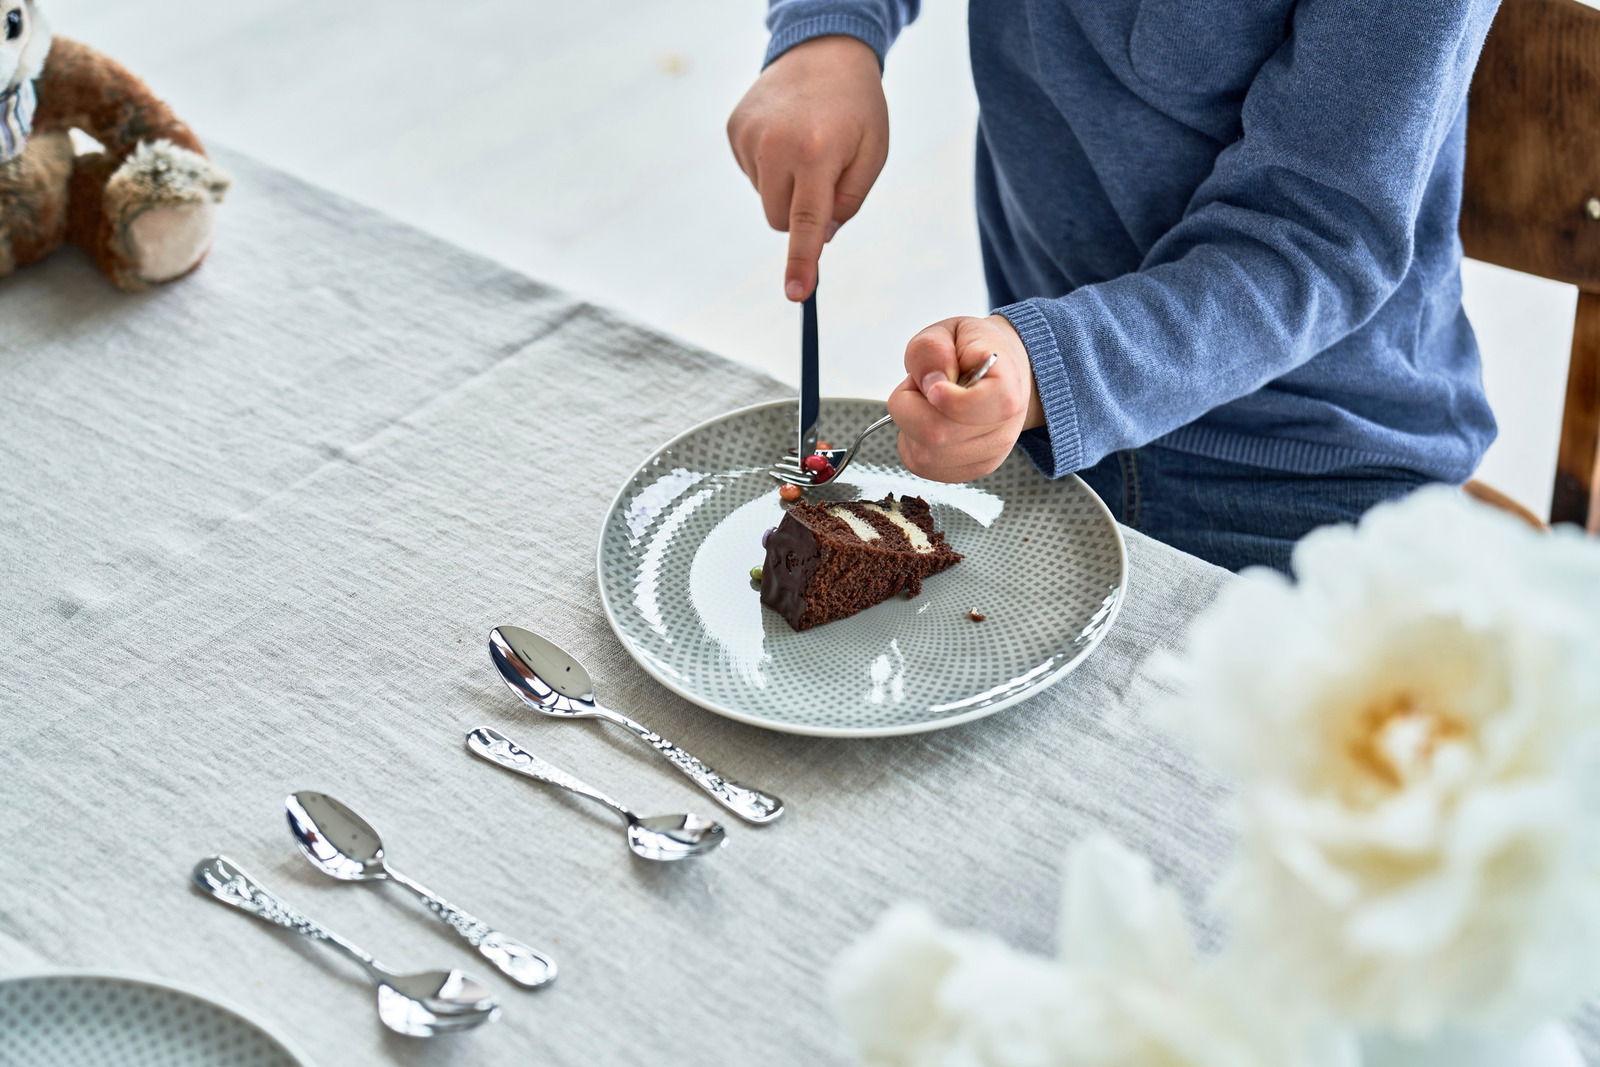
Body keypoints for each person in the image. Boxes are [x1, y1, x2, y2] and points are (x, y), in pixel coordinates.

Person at [726, 1, 1500, 574]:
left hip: (1308, 474)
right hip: (1042, 448)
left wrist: (1053, 366)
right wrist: (830, 34)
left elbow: (1318, 232)